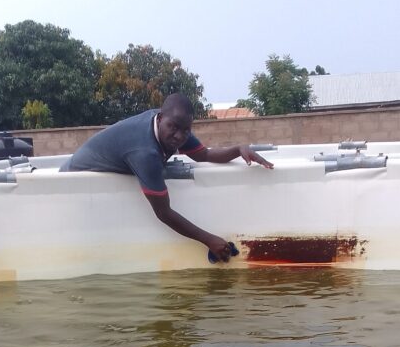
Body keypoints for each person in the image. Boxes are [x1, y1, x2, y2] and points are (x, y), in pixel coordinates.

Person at [60, 93, 273, 262]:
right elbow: (163, 212)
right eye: (174, 128)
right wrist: (209, 240)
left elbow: (202, 154)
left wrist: (239, 149)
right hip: (74, 182)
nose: (179, 136)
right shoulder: (145, 153)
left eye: (186, 130)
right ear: (160, 118)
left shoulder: (172, 123)